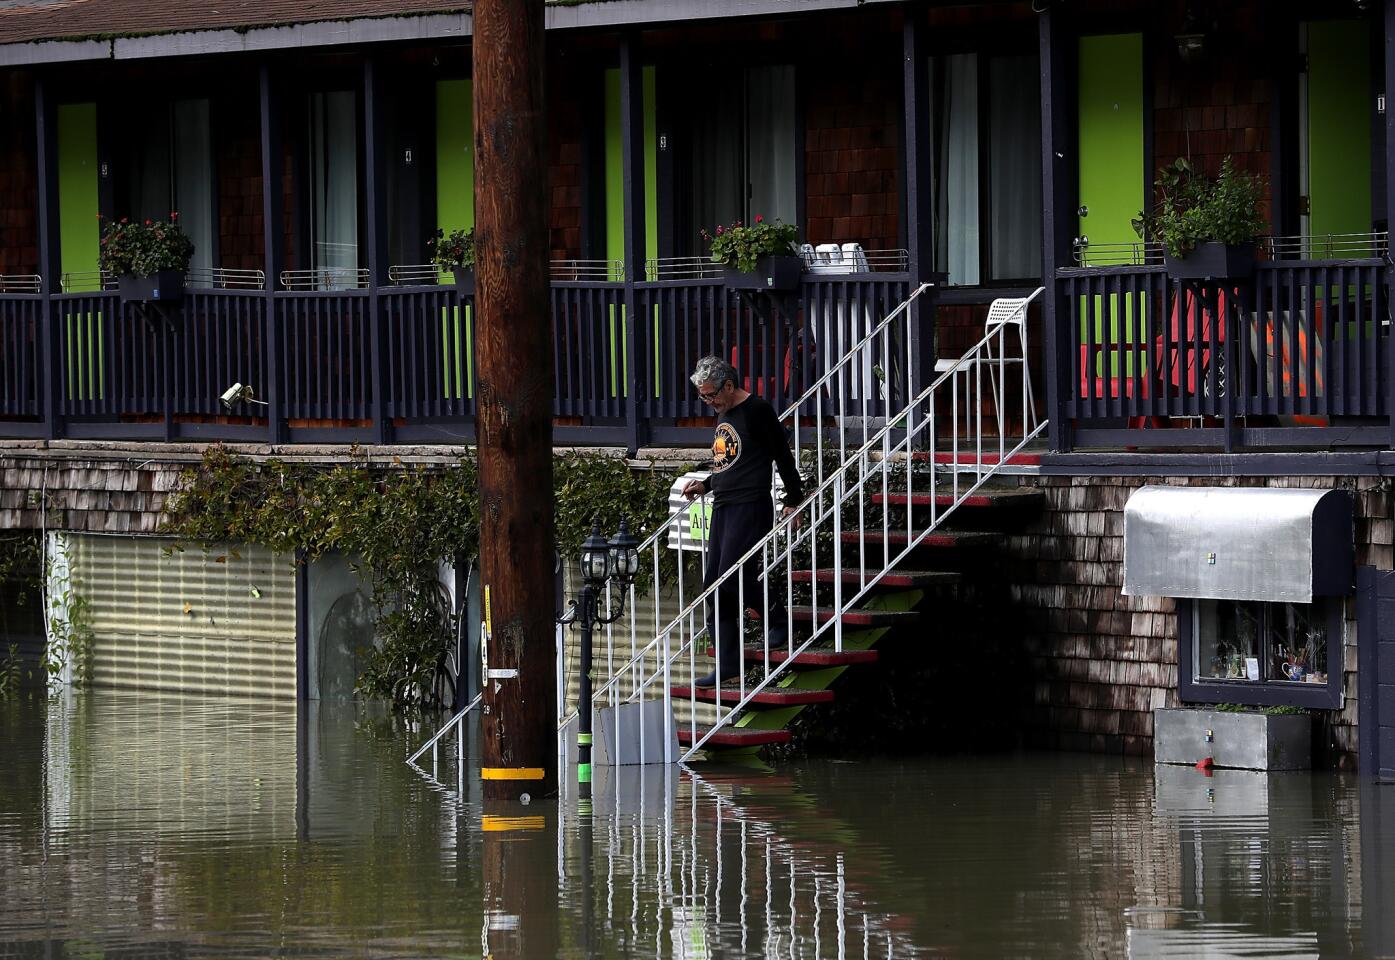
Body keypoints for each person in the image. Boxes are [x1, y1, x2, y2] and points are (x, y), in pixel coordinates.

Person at [682, 356, 804, 687]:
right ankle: (728, 663)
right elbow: (730, 460)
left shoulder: (758, 410)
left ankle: (778, 618)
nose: (708, 402)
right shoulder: (725, 413)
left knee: (733, 576)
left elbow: (782, 454)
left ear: (730, 385)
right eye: (703, 396)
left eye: (710, 395)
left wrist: (794, 500)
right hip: (723, 505)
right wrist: (705, 484)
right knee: (713, 585)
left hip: (750, 505)